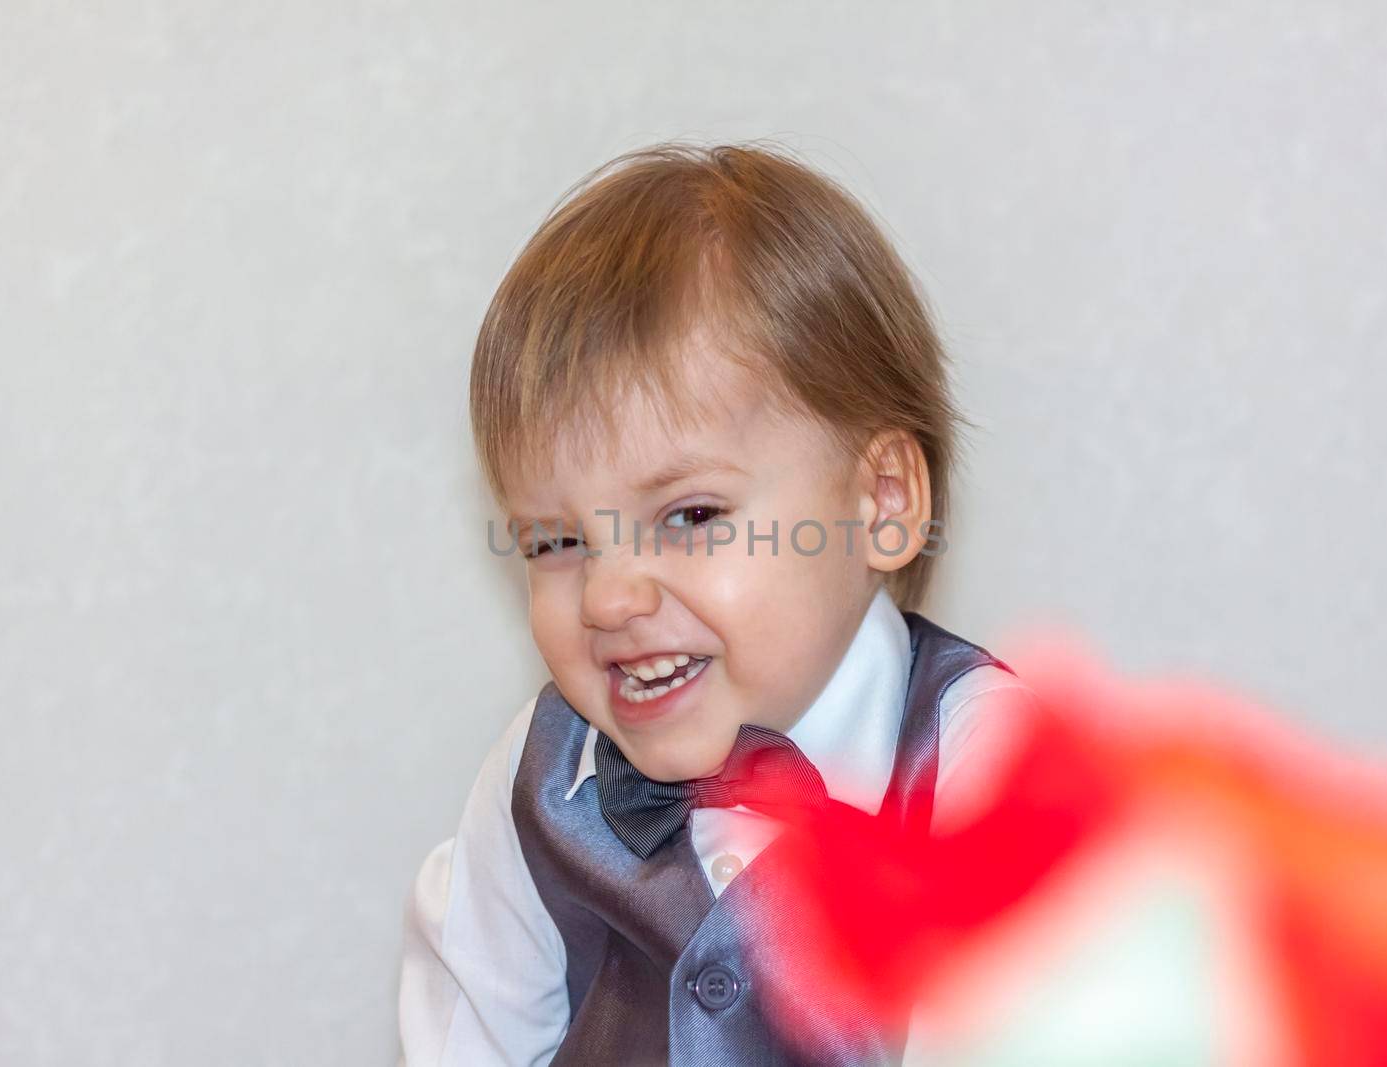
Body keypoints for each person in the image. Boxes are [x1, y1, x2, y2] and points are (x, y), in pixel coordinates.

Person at [397, 142, 1036, 1065]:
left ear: (882, 500)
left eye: (690, 514)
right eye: (558, 541)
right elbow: (470, 1038)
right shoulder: (539, 780)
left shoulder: (987, 776)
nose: (611, 596)